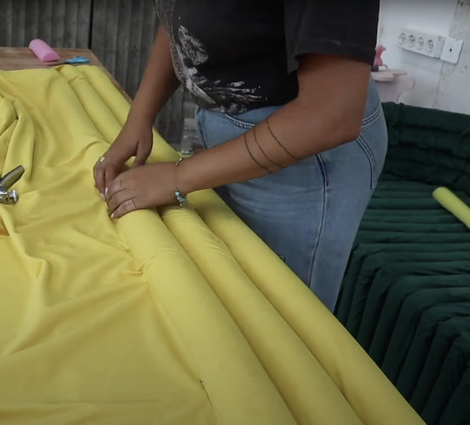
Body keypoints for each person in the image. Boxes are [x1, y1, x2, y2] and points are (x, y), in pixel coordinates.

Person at [93, 1, 388, 311]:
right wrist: (139, 117)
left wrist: (179, 177)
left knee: (277, 316)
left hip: (306, 158)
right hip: (233, 140)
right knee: (228, 290)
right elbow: (180, 20)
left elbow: (331, 114)